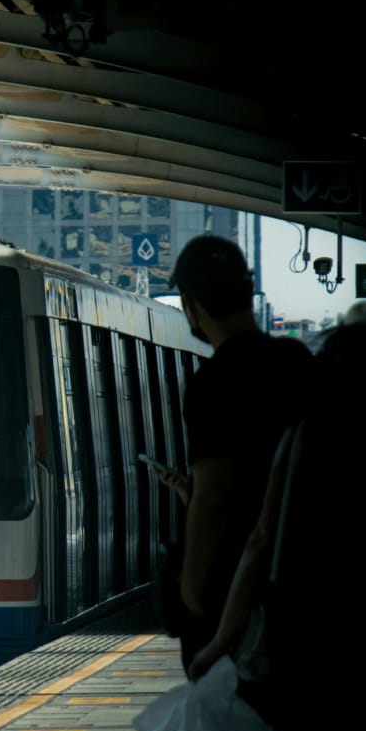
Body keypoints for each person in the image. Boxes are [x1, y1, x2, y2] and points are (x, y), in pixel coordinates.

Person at [148, 236, 312, 678]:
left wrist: (191, 593)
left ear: (190, 304)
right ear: (246, 290)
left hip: (235, 583)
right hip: (302, 572)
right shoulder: (298, 362)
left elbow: (215, 497)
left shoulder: (213, 384)